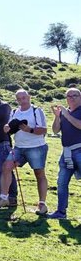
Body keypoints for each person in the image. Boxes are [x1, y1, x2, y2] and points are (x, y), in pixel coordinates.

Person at [0, 89, 48, 213]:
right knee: (6, 167)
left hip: (36, 147)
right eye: (19, 98)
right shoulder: (14, 111)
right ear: (16, 100)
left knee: (39, 174)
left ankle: (42, 204)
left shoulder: (36, 111)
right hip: (18, 147)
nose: (22, 100)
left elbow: (43, 130)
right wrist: (6, 128)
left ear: (29, 97)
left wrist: (30, 130)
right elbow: (9, 127)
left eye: (24, 97)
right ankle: (4, 198)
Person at [48, 88, 81, 219]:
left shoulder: (72, 112)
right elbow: (56, 130)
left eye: (75, 95)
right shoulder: (63, 113)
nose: (71, 98)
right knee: (62, 182)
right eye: (69, 96)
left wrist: (66, 114)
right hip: (67, 152)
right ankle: (61, 212)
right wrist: (57, 117)